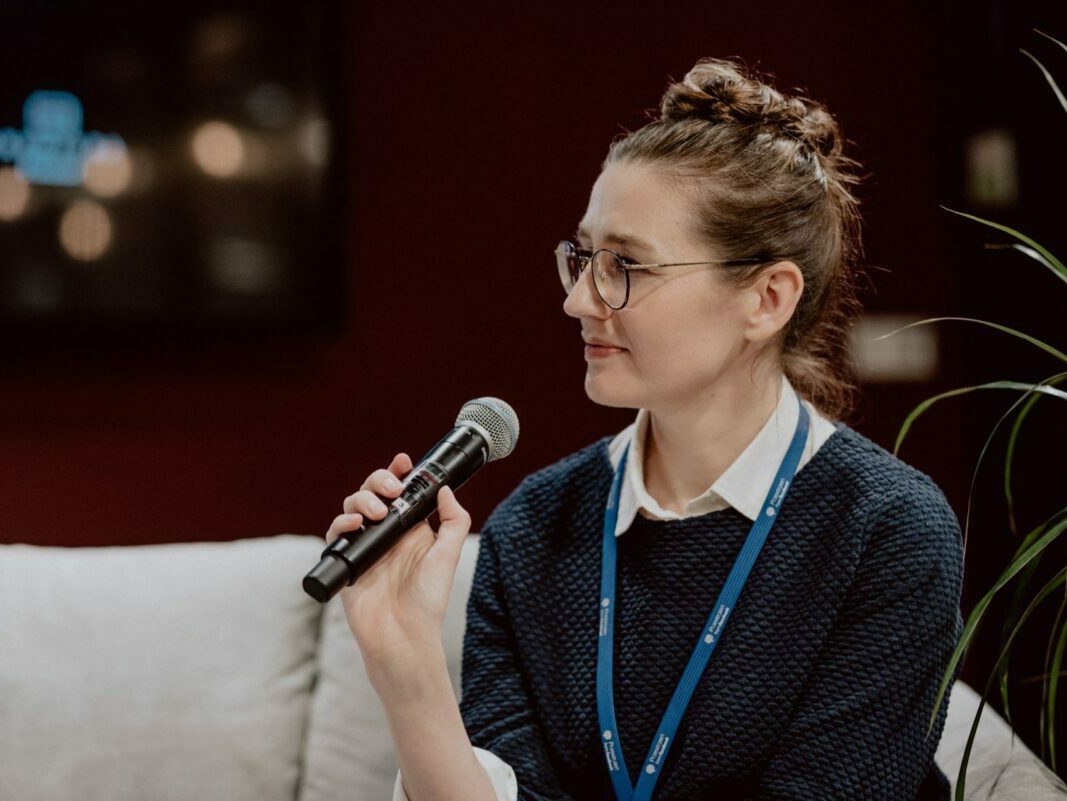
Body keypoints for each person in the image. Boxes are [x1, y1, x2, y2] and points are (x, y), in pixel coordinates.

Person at [325, 57, 965, 801]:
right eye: (584, 258)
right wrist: (406, 670)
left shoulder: (887, 532)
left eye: (626, 264)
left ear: (766, 297)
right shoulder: (534, 525)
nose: (579, 301)